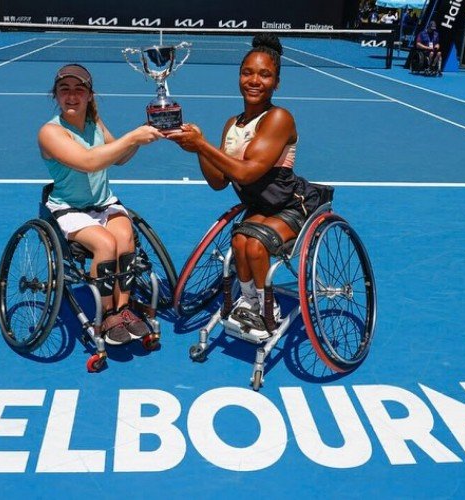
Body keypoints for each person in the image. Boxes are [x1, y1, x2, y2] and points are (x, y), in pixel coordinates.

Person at [166, 34, 331, 339]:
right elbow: (218, 181)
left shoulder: (279, 118)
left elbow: (246, 172)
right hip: (259, 207)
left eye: (265, 75)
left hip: (291, 205)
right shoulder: (232, 124)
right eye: (248, 73)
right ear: (239, 77)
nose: (255, 80)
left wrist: (202, 144)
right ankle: (249, 301)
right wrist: (198, 149)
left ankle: (269, 310)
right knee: (240, 241)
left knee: (254, 244)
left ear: (277, 83)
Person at [38, 63, 164, 346]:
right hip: (69, 209)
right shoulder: (50, 132)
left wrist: (145, 135)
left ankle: (122, 309)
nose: (72, 96)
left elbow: (119, 157)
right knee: (105, 245)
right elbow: (89, 162)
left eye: (79, 90)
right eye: (64, 90)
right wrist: (133, 137)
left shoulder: (95, 125)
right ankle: (106, 314)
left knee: (124, 237)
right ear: (55, 96)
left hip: (104, 203)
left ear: (90, 95)